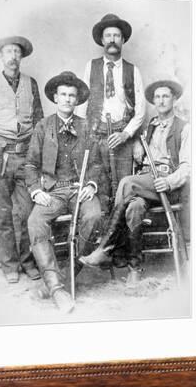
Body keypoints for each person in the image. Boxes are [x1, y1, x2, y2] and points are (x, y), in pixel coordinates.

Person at [80, 79, 190, 276]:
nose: (161, 101)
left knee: (127, 182)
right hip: (146, 181)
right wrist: (137, 145)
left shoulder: (184, 128)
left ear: (174, 99)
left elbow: (187, 167)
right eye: (157, 97)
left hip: (166, 185)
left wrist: (169, 181)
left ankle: (107, 248)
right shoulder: (152, 126)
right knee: (134, 207)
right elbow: (143, 152)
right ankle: (134, 268)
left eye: (165, 96)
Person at [25, 71, 103, 313]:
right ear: (55, 98)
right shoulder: (43, 126)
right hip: (54, 191)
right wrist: (36, 190)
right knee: (35, 222)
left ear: (77, 99)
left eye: (72, 95)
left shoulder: (86, 126)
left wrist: (91, 185)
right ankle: (57, 289)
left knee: (94, 216)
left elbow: (97, 164)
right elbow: (30, 164)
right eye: (63, 95)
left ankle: (67, 277)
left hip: (79, 189)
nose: (68, 99)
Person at [0, 36, 43, 283]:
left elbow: (39, 121)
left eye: (17, 52)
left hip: (25, 156)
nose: (13, 56)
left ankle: (27, 261)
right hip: (0, 156)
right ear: (1, 57)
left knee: (25, 212)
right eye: (8, 52)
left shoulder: (30, 84)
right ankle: (9, 265)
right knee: (2, 213)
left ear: (21, 57)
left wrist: (37, 151)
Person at [78, 13, 146, 265]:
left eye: (116, 35)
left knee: (123, 192)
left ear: (123, 40)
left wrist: (127, 134)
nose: (112, 40)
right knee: (102, 190)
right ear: (102, 40)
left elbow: (140, 110)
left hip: (122, 137)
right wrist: (85, 136)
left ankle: (120, 252)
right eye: (108, 36)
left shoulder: (132, 70)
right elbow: (82, 105)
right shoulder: (91, 66)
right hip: (96, 136)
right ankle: (101, 251)